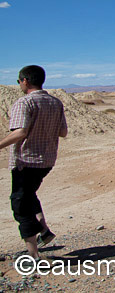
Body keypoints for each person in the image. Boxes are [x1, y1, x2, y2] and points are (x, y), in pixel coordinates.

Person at [0, 65, 68, 258]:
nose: (19, 85)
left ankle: (33, 255)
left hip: (26, 161)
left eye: (19, 81)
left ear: (25, 81)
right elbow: (63, 132)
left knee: (20, 204)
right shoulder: (56, 103)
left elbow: (20, 132)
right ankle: (44, 231)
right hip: (46, 161)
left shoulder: (24, 103)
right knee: (29, 195)